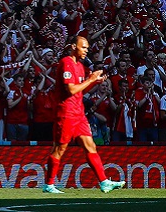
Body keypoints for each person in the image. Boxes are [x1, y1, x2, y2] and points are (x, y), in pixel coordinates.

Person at [42, 37, 126, 194]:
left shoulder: (80, 66)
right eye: (84, 47)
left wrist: (94, 82)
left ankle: (104, 182)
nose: (86, 50)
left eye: (87, 48)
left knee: (90, 145)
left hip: (78, 113)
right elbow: (71, 90)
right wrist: (91, 79)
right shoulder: (66, 63)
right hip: (66, 113)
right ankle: (49, 184)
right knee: (59, 149)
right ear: (74, 47)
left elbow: (80, 90)